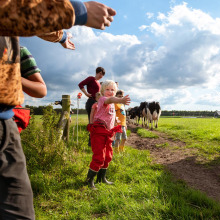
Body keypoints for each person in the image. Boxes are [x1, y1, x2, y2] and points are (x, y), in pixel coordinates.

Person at [0, 1, 116, 219]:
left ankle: (100, 176)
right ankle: (92, 176)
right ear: (98, 74)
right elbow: (13, 9)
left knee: (19, 209)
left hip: (5, 120)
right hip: (6, 118)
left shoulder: (100, 85)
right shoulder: (92, 80)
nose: (101, 78)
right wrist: (78, 11)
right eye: (101, 76)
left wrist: (60, 36)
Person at [86, 80, 131, 189]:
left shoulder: (112, 105)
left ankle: (101, 178)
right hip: (99, 131)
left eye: (112, 90)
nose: (110, 92)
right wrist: (121, 99)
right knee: (99, 156)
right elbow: (110, 99)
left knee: (108, 155)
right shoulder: (103, 99)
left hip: (108, 132)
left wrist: (115, 129)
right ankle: (89, 180)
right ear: (102, 91)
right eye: (107, 89)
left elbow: (112, 118)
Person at [78, 67, 106, 146]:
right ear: (96, 72)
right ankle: (91, 143)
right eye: (100, 73)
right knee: (92, 122)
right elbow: (80, 84)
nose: (101, 75)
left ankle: (96, 141)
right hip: (91, 102)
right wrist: (86, 94)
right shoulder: (91, 79)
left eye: (103, 74)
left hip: (97, 102)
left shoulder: (99, 83)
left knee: (97, 122)